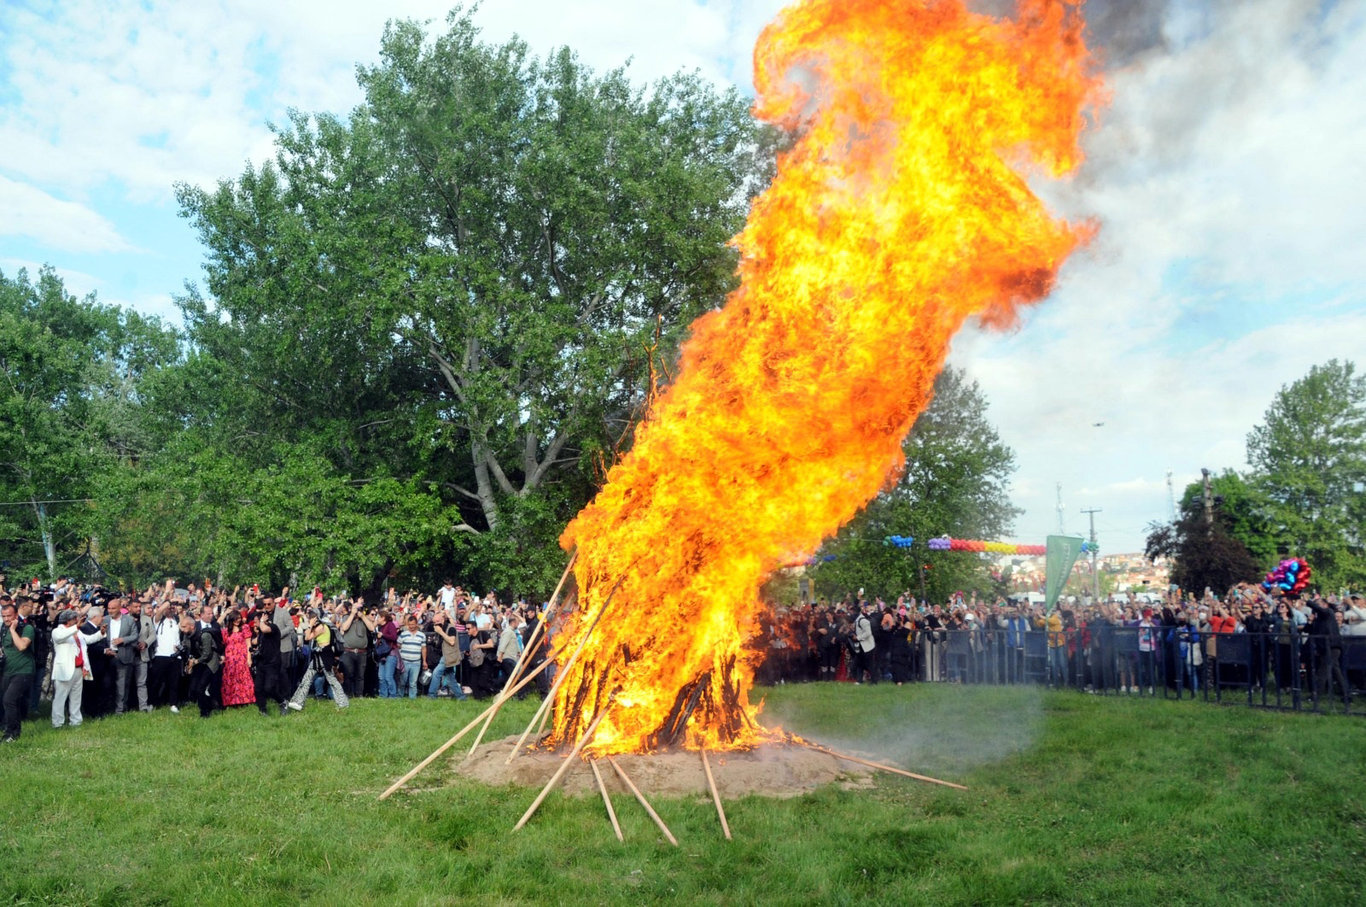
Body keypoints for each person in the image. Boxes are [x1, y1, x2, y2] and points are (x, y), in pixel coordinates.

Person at [287, 612, 349, 710]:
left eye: (311, 620)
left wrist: (310, 625)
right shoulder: (318, 627)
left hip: (325, 656)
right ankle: (297, 702)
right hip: (318, 655)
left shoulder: (321, 627)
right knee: (307, 678)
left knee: (331, 679)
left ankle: (343, 701)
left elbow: (308, 637)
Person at [50, 608, 94, 729]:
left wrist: (101, 633)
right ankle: (57, 723)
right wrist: (76, 628)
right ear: (68, 620)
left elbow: (88, 640)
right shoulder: (57, 631)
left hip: (78, 669)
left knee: (76, 697)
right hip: (65, 670)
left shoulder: (77, 631)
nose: (77, 621)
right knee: (60, 697)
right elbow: (60, 638)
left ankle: (76, 721)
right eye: (75, 619)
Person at [1, 602, 37, 742]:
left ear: (16, 615)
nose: (6, 619)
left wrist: (12, 630)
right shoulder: (3, 629)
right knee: (8, 701)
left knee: (9, 699)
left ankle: (10, 734)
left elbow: (22, 646)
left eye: (9, 616)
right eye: (3, 616)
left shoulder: (27, 628)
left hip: (24, 669)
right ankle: (14, 730)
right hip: (7, 670)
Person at [251, 609, 287, 716]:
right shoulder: (261, 632)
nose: (255, 623)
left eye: (256, 621)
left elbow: (265, 629)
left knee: (269, 688)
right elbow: (255, 641)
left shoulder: (273, 627)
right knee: (258, 688)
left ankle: (282, 702)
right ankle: (262, 709)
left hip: (273, 663)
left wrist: (262, 621)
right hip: (262, 663)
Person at [220, 611, 255, 708]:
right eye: (236, 618)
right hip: (230, 659)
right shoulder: (225, 631)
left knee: (243, 679)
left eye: (239, 618)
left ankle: (244, 700)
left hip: (241, 657)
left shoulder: (245, 628)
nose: (238, 620)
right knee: (230, 679)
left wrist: (249, 658)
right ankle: (230, 701)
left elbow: (249, 644)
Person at [396, 615, 426, 699]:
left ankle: (412, 698)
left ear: (416, 624)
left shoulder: (422, 635)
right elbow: (398, 645)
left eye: (413, 624)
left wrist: (424, 661)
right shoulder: (403, 634)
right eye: (409, 624)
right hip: (405, 661)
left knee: (413, 683)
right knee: (402, 681)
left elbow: (423, 648)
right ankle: (399, 697)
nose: (411, 626)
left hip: (416, 662)